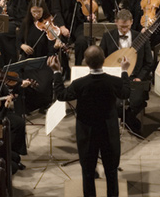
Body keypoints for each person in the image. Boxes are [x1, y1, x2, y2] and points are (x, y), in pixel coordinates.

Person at [49, 47, 131, 197]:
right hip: (108, 131)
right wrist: (124, 71)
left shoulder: (79, 84)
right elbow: (126, 92)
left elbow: (61, 95)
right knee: (111, 170)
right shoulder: (113, 81)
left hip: (87, 132)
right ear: (104, 59)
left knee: (87, 171)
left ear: (86, 62)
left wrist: (57, 72)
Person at [99, 9, 153, 134]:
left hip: (134, 78)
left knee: (137, 102)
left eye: (127, 27)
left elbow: (148, 63)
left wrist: (140, 77)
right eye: (122, 27)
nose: (124, 30)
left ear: (132, 22)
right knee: (114, 103)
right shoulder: (108, 37)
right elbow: (102, 60)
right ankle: (129, 120)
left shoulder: (141, 38)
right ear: (116, 22)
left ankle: (127, 117)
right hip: (114, 78)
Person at [15, 0, 58, 113]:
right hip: (29, 59)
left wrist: (55, 47)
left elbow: (51, 48)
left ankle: (45, 103)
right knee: (25, 81)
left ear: (43, 10)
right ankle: (28, 106)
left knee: (42, 84)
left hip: (44, 60)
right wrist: (22, 46)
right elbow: (18, 40)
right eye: (34, 11)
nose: (36, 14)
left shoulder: (48, 25)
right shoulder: (26, 23)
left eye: (39, 11)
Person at [52, 0, 99, 67]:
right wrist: (62, 27)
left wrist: (90, 14)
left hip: (80, 24)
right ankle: (65, 70)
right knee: (59, 41)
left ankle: (77, 67)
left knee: (82, 42)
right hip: (64, 22)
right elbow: (56, 9)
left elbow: (93, 4)